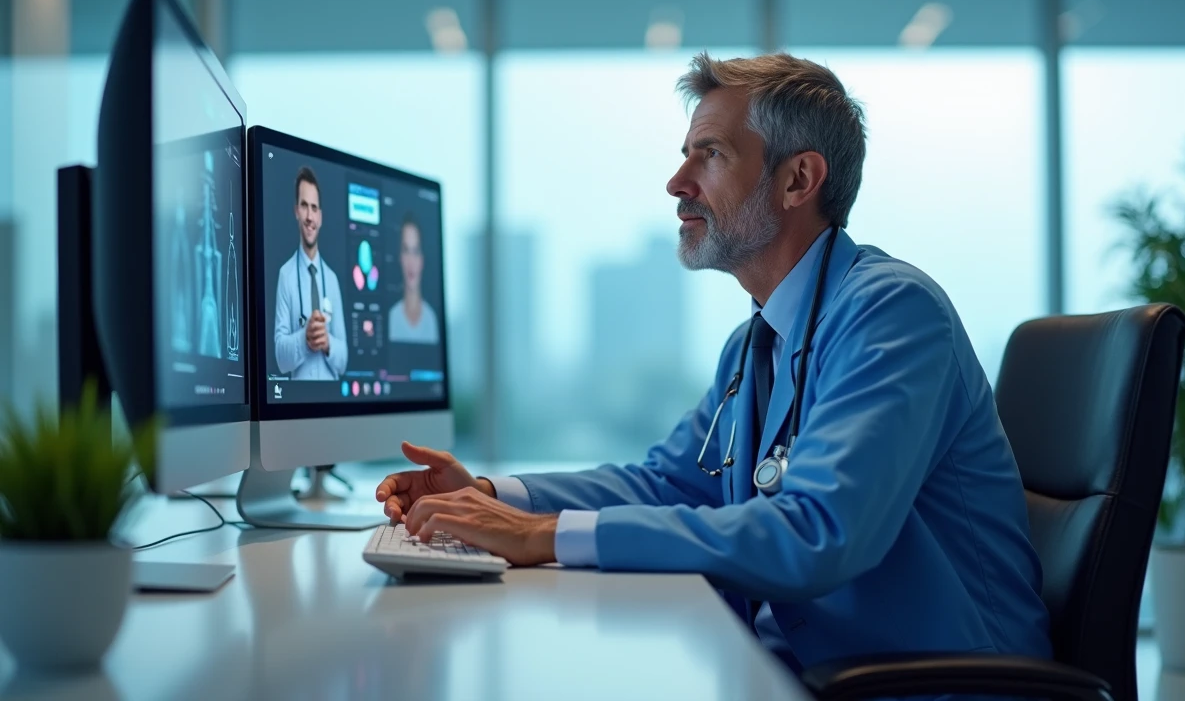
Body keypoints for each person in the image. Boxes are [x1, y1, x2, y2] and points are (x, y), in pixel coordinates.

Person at [375, 52, 1053, 676]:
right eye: (685, 156)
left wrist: (544, 535)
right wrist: (495, 497)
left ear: (798, 180)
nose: (677, 183)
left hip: (933, 687)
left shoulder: (892, 314)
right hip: (796, 673)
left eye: (712, 155)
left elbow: (816, 532)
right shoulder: (754, 342)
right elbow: (667, 481)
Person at [274, 166, 348, 380]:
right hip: (299, 407)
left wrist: (327, 342)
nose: (309, 216)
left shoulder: (332, 280)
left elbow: (343, 360)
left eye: (314, 208)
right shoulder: (285, 275)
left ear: (321, 217)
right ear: (296, 211)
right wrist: (305, 339)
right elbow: (280, 358)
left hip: (331, 407)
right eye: (304, 206)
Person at [387, 214, 440, 345]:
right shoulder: (392, 318)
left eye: (415, 251)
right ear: (400, 257)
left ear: (422, 259)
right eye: (406, 250)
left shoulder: (431, 320)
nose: (411, 262)